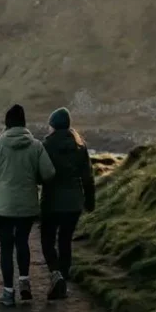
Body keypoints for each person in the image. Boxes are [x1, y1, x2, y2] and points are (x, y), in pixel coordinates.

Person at [0, 104, 56, 307]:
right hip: (27, 205)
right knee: (22, 242)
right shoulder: (36, 145)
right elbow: (49, 173)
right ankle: (25, 282)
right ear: (24, 123)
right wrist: (33, 178)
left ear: (7, 123)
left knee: (6, 248)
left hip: (4, 207)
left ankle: (8, 294)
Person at [40, 107, 96, 300]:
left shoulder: (46, 145)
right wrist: (90, 202)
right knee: (65, 241)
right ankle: (62, 278)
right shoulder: (80, 146)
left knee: (47, 240)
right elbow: (88, 177)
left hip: (51, 202)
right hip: (74, 203)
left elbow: (41, 175)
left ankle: (55, 274)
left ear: (53, 126)